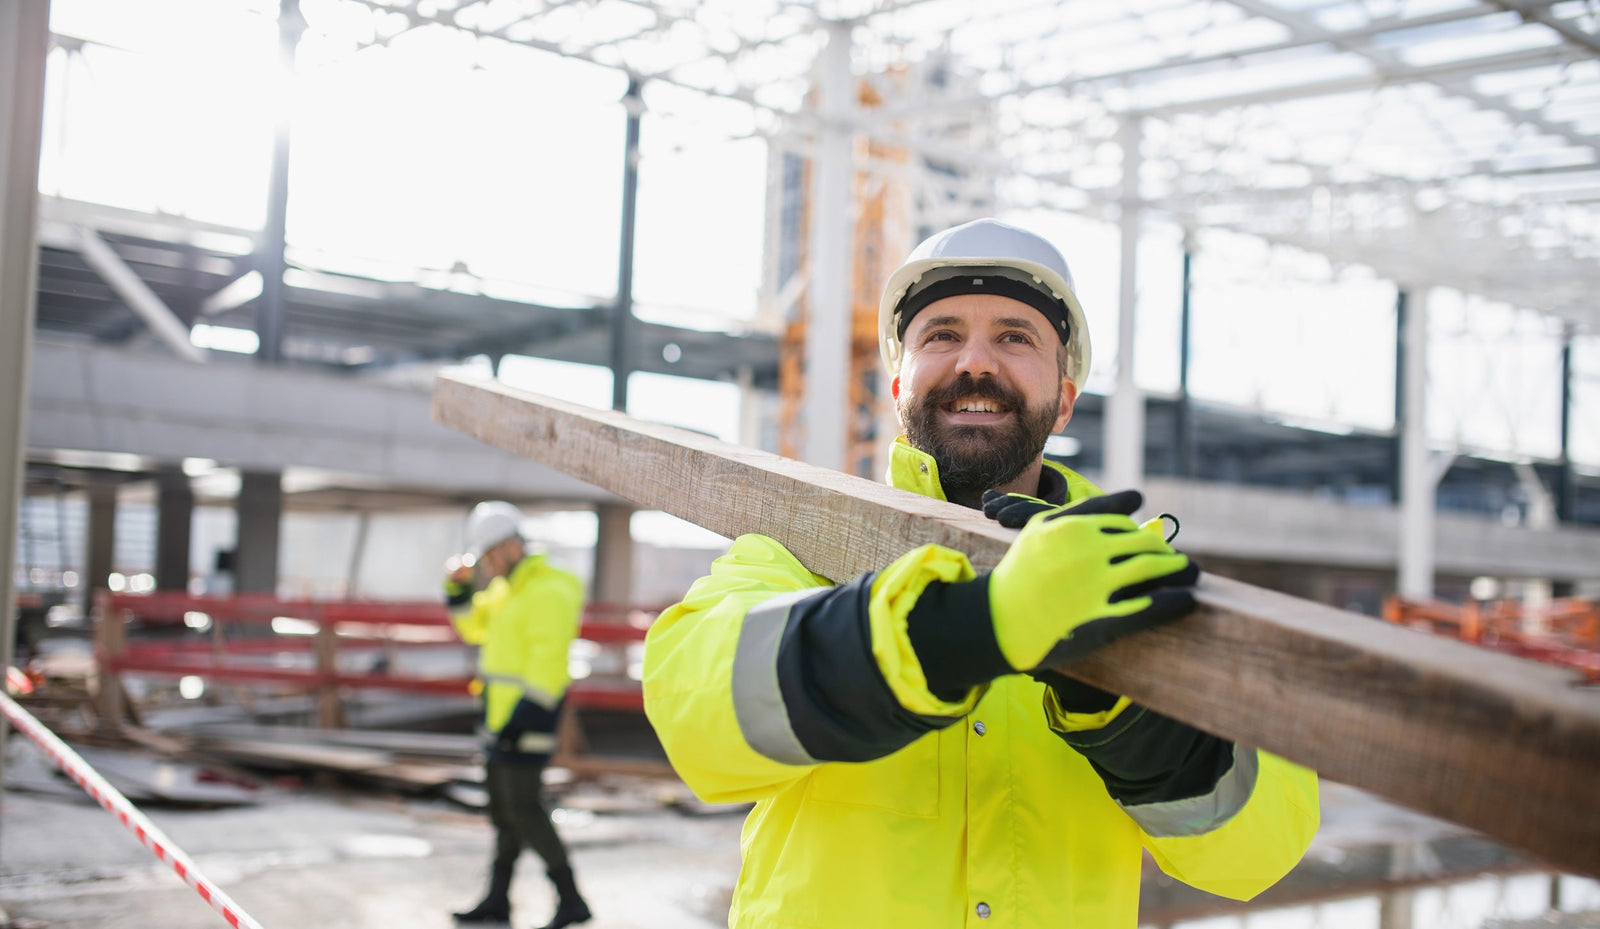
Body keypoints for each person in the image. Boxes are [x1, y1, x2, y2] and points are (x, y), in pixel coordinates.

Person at [643, 218, 1319, 927]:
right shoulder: (802, 550)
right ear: (899, 388)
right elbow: (697, 716)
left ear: (1064, 398)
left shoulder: (1133, 586)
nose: (975, 362)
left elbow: (1257, 851)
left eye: (1014, 337)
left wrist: (1122, 702)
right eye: (941, 334)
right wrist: (964, 628)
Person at [445, 501, 592, 928]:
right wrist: (457, 591)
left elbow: (550, 661)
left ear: (511, 547)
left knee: (524, 808)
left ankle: (571, 899)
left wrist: (524, 718)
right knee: (503, 811)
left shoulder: (550, 587)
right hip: (498, 719)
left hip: (528, 719)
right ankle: (496, 899)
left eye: (490, 556)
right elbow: (472, 628)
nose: (486, 566)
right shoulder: (505, 589)